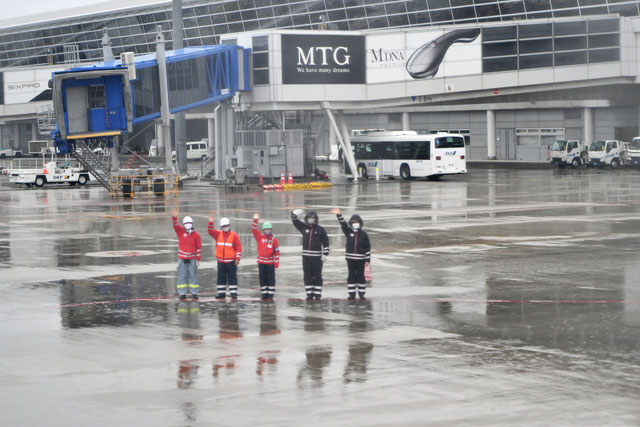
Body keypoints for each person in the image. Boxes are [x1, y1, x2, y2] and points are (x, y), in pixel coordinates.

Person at [331, 208, 371, 300]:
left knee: (361, 277)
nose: (355, 224)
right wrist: (339, 215)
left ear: (360, 223)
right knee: (351, 276)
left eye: (357, 222)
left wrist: (367, 259)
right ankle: (351, 294)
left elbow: (368, 248)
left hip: (361, 260)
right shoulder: (348, 232)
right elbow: (343, 224)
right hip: (350, 259)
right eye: (353, 222)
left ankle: (361, 294)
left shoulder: (364, 234)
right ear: (351, 223)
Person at [291, 209, 330, 300]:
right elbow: (295, 222)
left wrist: (325, 254)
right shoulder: (304, 228)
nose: (310, 219)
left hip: (317, 258)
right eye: (309, 218)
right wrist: (293, 214)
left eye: (312, 218)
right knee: (307, 275)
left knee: (317, 276)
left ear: (315, 219)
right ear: (306, 218)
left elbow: (326, 243)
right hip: (306, 258)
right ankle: (309, 294)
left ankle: (317, 294)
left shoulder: (320, 230)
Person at [208, 214, 242, 299]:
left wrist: (237, 258)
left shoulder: (234, 235)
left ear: (229, 225)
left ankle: (233, 293)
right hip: (221, 262)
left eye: (226, 225)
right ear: (221, 227)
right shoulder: (218, 234)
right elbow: (210, 231)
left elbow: (238, 247)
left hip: (231, 262)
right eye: (223, 226)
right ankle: (221, 293)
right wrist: (210, 222)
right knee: (221, 278)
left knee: (232, 278)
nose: (225, 227)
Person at [171, 209, 202, 299]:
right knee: (181, 276)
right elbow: (175, 226)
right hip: (182, 259)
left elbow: (198, 247)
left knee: (193, 276)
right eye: (186, 223)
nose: (188, 224)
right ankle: (182, 293)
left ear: (192, 224)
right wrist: (174, 217)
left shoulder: (196, 235)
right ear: (183, 224)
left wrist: (198, 259)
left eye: (189, 223)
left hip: (192, 259)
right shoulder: (180, 232)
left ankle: (194, 293)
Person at [252, 213, 280, 300]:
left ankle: (270, 294)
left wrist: (276, 263)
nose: (267, 231)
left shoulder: (274, 240)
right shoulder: (260, 238)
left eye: (268, 229)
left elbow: (277, 252)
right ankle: (264, 294)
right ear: (263, 230)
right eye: (266, 229)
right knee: (262, 278)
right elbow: (254, 230)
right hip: (261, 263)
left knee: (270, 279)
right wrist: (255, 219)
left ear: (271, 230)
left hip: (270, 263)